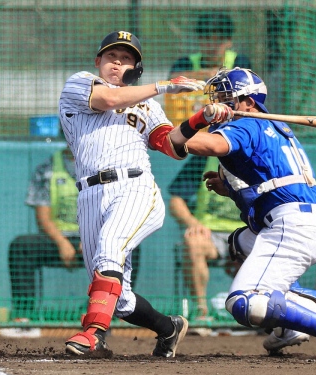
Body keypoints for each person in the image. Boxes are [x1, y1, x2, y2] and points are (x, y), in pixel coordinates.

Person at [167, 67, 316, 356]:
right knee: (238, 243)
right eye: (217, 99)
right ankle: (288, 327)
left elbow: (206, 144)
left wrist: (181, 128)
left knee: (243, 302)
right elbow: (271, 183)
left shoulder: (247, 123)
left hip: (292, 226)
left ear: (249, 102)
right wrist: (231, 189)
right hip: (302, 220)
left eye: (226, 99)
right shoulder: (272, 127)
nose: (219, 106)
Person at [58, 30, 218, 357]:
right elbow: (109, 99)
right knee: (120, 298)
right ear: (98, 61)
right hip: (88, 194)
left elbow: (172, 145)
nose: (117, 63)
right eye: (112, 57)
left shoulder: (146, 104)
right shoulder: (79, 83)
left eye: (126, 58)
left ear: (135, 68)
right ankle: (168, 328)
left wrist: (203, 117)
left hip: (135, 187)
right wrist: (164, 86)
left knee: (110, 249)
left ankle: (92, 334)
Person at [8, 147, 82, 321]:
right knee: (21, 246)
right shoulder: (47, 169)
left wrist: (92, 238)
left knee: (129, 248)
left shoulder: (103, 167)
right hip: (57, 240)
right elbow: (43, 217)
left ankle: (117, 314)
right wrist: (62, 243)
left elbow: (108, 208)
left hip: (93, 239)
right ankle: (23, 317)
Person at [168, 155, 244, 319]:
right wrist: (192, 222)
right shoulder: (204, 160)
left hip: (247, 233)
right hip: (210, 235)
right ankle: (201, 313)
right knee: (193, 242)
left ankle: (256, 315)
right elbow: (176, 201)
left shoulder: (257, 159)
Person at [169, 13, 252, 81]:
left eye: (219, 40)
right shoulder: (185, 63)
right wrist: (206, 74)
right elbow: (171, 80)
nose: (212, 46)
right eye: (207, 39)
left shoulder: (239, 61)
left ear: (229, 42)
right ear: (199, 39)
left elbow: (248, 80)